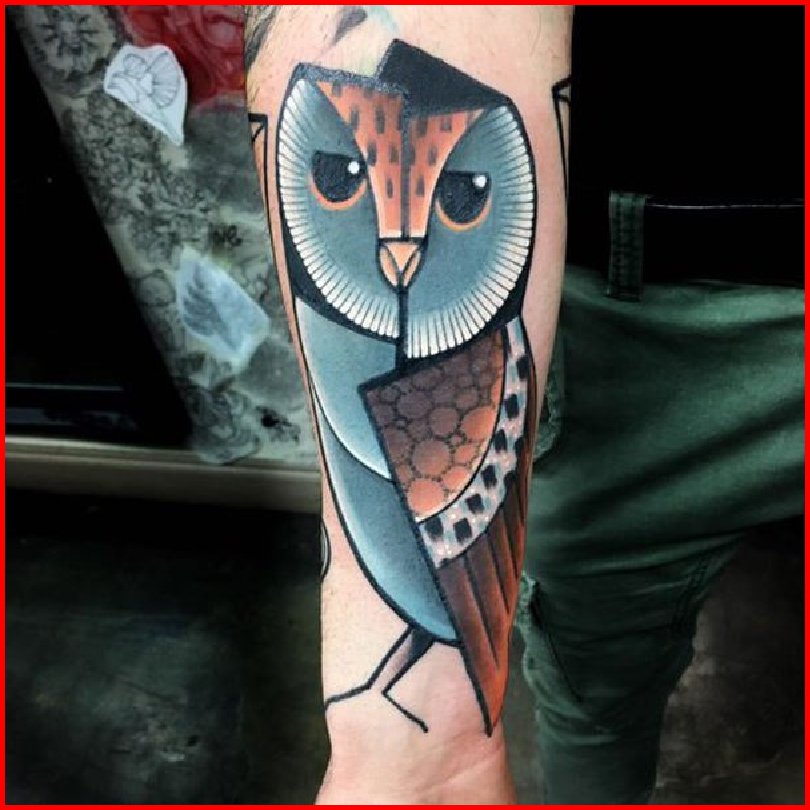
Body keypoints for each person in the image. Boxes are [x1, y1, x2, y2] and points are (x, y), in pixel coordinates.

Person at [243, 6, 802, 804]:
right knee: (597, 686)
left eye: (462, 197)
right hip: (657, 316)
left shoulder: (453, 393)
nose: (399, 253)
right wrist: (413, 747)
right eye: (340, 182)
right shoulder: (441, 386)